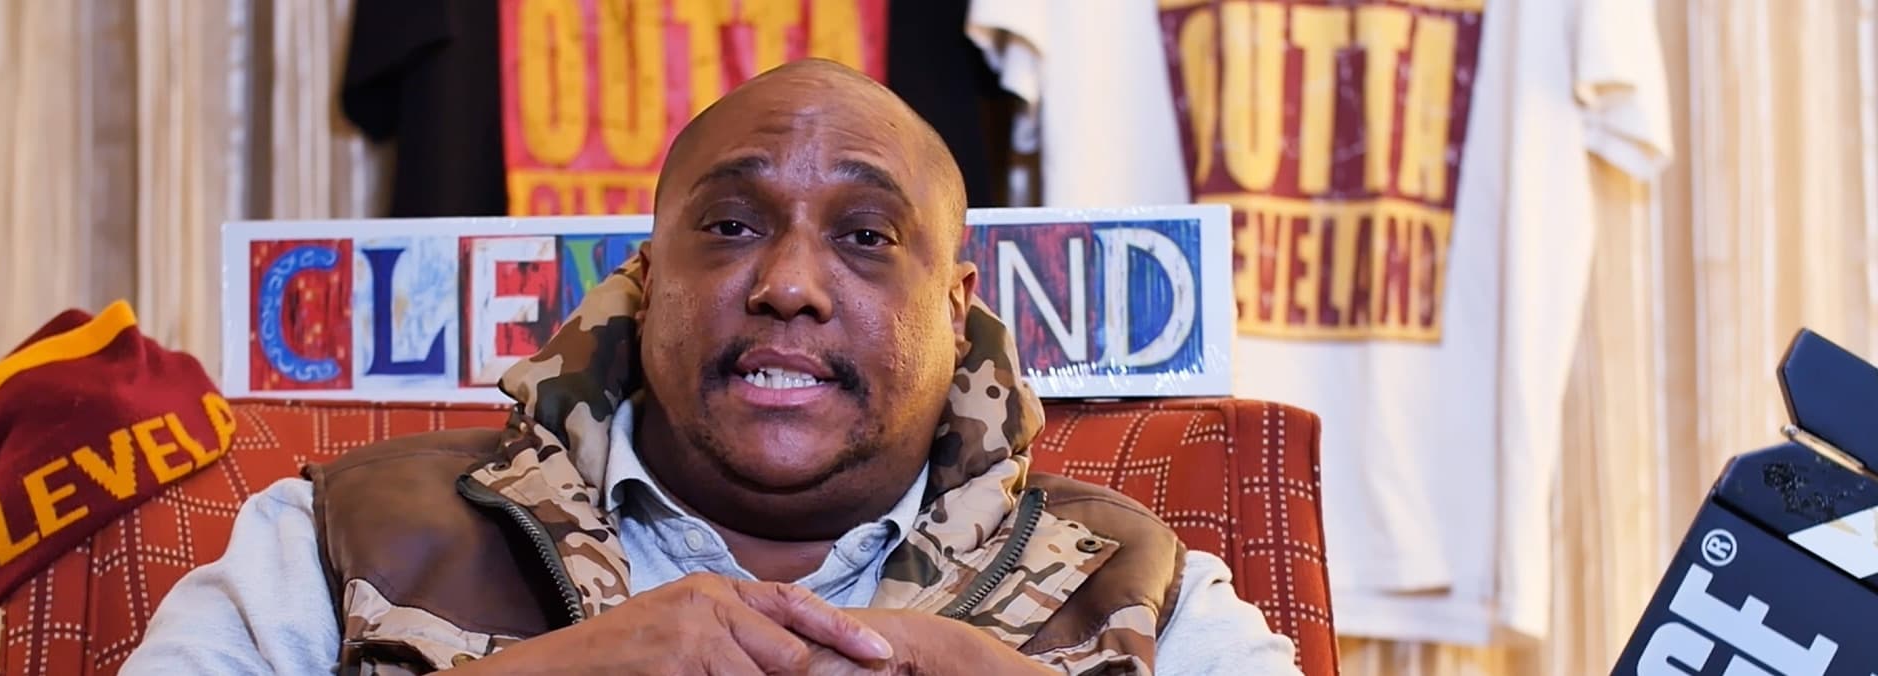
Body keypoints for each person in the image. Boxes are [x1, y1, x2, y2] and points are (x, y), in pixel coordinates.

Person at [121, 59, 1300, 675]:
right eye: (731, 225)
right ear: (649, 278)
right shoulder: (342, 536)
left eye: (866, 236)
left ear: (957, 307)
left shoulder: (1142, 589)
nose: (789, 282)